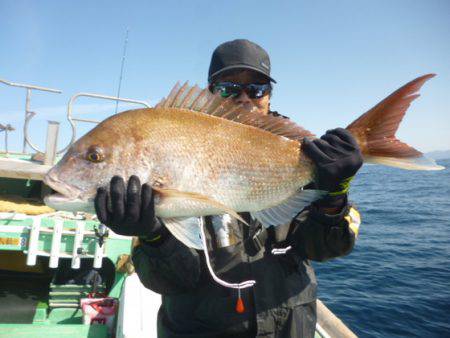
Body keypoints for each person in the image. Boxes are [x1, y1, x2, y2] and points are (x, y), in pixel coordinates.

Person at [95, 39, 363, 338]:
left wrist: (335, 197)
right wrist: (153, 235)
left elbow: (324, 248)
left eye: (257, 88)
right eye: (229, 89)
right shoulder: (175, 153)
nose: (245, 99)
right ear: (210, 94)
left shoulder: (299, 156)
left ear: (269, 97)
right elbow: (172, 282)